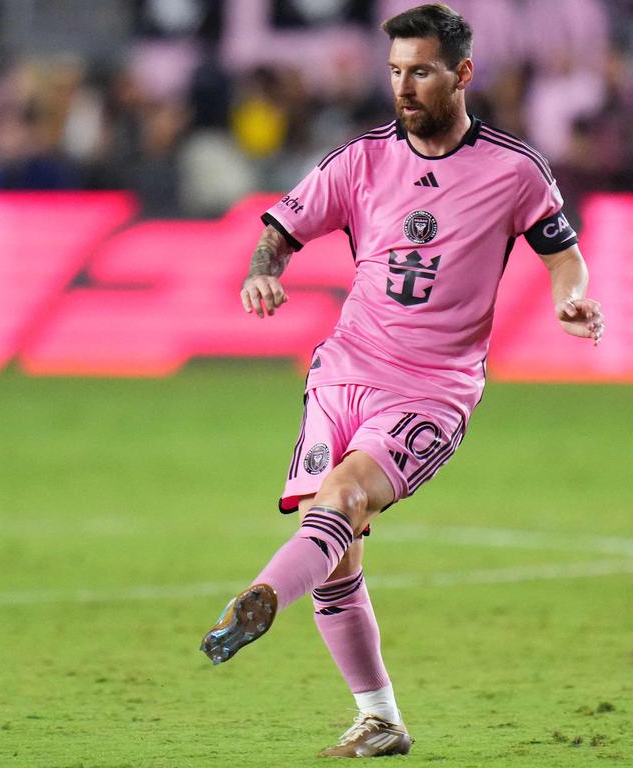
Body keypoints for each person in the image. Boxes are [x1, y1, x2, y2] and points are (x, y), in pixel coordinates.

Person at [199, 3, 604, 759]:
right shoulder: (360, 160)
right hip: (344, 373)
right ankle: (380, 719)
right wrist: (262, 275)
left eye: (420, 71)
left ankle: (257, 597)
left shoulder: (514, 169)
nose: (405, 87)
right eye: (395, 72)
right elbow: (280, 230)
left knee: (342, 500)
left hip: (432, 388)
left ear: (462, 74)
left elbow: (561, 252)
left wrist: (569, 298)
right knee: (335, 555)